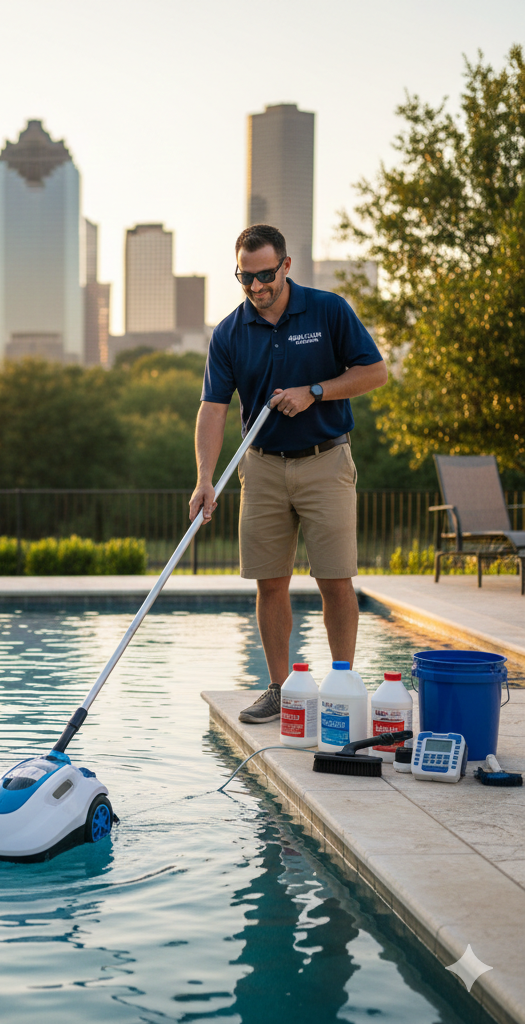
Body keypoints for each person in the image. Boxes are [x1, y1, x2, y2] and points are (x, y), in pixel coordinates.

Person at [189, 224, 387, 723]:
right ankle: (281, 690)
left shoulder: (328, 310)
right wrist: (204, 478)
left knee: (335, 581)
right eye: (245, 277)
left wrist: (314, 391)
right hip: (262, 469)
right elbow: (213, 409)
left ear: (286, 266)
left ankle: (341, 684)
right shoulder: (230, 332)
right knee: (269, 584)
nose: (256, 287)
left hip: (326, 461)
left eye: (265, 275)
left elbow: (374, 372)